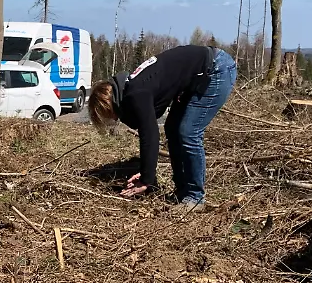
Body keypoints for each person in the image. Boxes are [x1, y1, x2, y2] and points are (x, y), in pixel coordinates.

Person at [86, 45, 237, 209]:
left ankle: (195, 197)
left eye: (108, 115)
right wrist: (146, 173)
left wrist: (146, 179)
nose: (113, 119)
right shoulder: (131, 87)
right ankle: (182, 191)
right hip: (202, 72)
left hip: (216, 69)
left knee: (188, 132)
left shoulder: (135, 93)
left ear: (109, 105)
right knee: (172, 128)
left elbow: (149, 135)